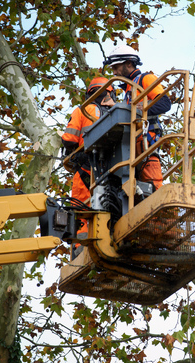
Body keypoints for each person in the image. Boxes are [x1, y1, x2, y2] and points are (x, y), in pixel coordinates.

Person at [103, 45, 172, 190]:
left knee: (153, 187)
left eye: (116, 68)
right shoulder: (128, 89)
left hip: (147, 142)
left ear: (129, 63)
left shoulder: (144, 79)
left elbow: (164, 103)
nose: (114, 73)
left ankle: (162, 212)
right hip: (132, 148)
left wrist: (143, 109)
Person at [61, 77, 115, 258]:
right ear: (110, 92)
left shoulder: (83, 110)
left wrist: (72, 152)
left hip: (86, 169)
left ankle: (80, 251)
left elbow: (69, 139)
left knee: (81, 211)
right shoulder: (120, 111)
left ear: (90, 94)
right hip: (115, 172)